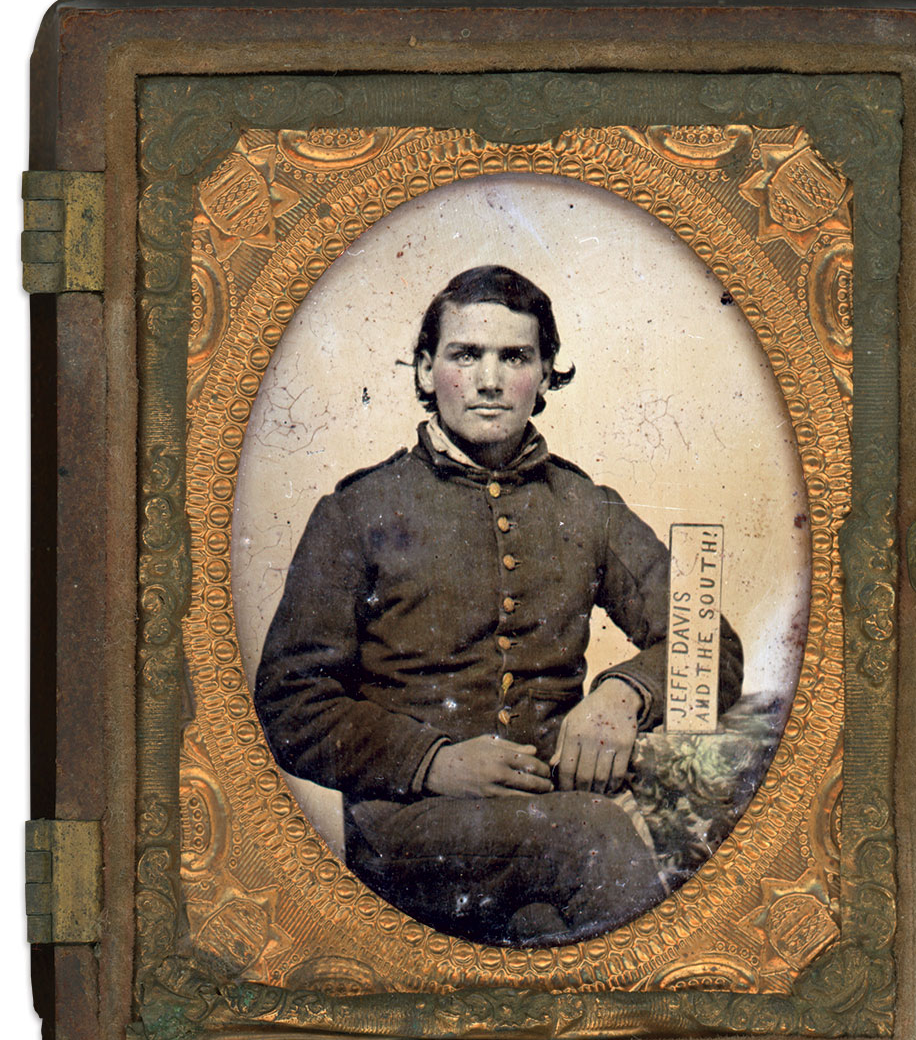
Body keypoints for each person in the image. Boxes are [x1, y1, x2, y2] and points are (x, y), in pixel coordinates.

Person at [254, 265, 743, 947]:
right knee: (593, 840)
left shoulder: (586, 506)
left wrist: (623, 696)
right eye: (465, 354)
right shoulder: (355, 512)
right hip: (414, 832)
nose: (489, 380)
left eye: (515, 356)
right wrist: (432, 761)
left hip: (550, 820)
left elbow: (707, 639)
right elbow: (287, 701)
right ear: (426, 370)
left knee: (555, 922)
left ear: (544, 375)